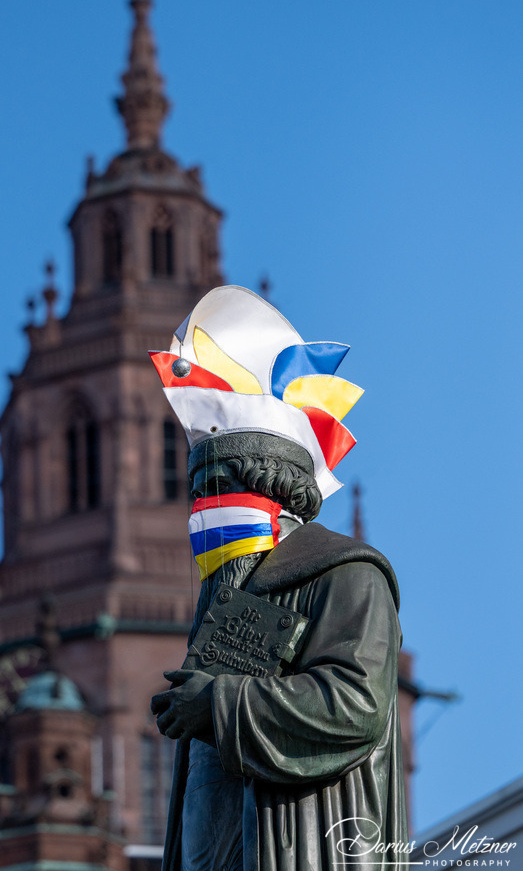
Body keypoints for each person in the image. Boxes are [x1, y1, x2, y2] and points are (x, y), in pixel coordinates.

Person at [148, 286, 407, 871]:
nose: (198, 517)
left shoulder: (347, 574)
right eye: (197, 499)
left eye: (213, 495)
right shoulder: (228, 600)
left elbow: (356, 703)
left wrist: (216, 702)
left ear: (263, 493)